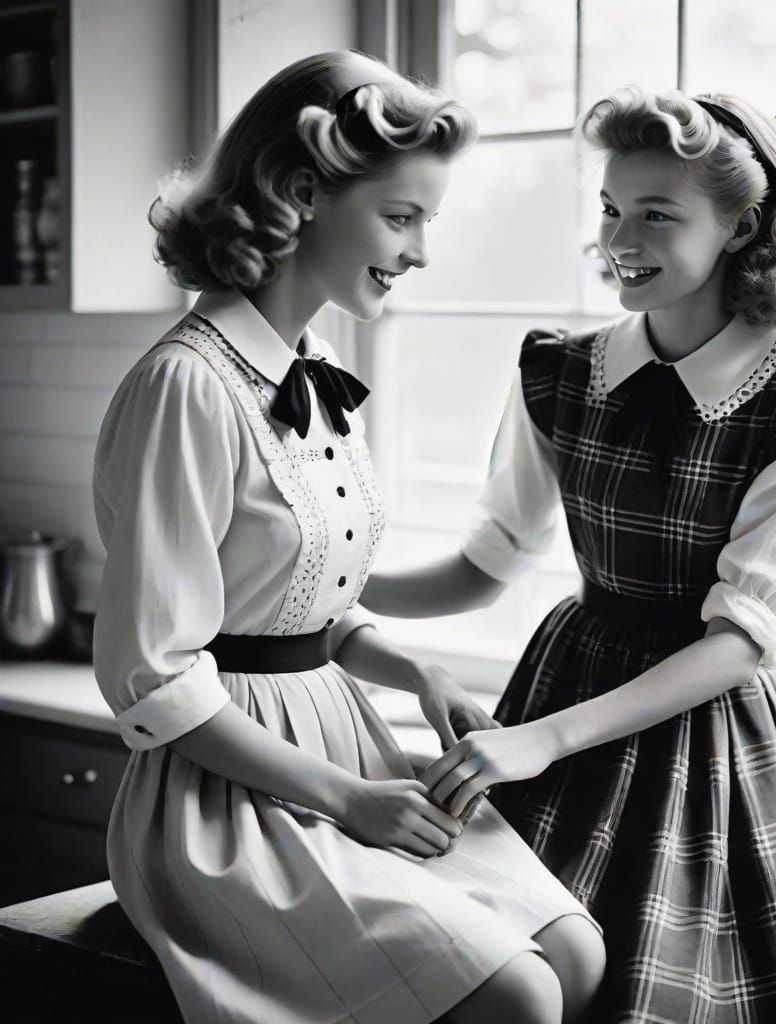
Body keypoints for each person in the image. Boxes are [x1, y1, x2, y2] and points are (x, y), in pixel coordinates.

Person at [91, 51, 605, 1024]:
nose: (418, 251)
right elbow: (153, 676)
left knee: (574, 952)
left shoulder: (314, 368)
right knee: (523, 1000)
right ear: (301, 194)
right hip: (221, 798)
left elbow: (302, 604)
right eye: (401, 217)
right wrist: (344, 798)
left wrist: (420, 674)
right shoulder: (186, 388)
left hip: (345, 750)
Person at [359, 85, 776, 1022]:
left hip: (697, 736)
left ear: (739, 225)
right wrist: (320, 589)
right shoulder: (561, 372)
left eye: (657, 214)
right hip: (558, 694)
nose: (620, 240)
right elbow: (486, 568)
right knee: (501, 980)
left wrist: (542, 739)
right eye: (609, 209)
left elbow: (740, 641)